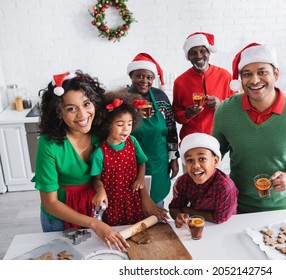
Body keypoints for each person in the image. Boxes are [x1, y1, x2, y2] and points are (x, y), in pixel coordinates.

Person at [213, 43, 286, 213]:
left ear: (276, 74)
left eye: (262, 72)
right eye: (247, 74)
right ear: (241, 79)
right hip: (236, 205)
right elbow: (214, 153)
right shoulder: (225, 111)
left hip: (284, 207)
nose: (254, 80)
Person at [32, 70, 129, 251]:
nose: (82, 115)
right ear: (58, 112)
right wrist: (93, 224)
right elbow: (50, 203)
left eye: (86, 104)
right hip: (60, 219)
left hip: (96, 211)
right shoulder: (49, 144)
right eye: (71, 108)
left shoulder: (102, 133)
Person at [90, 89, 169, 226]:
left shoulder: (132, 141)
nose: (126, 129)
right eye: (120, 125)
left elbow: (142, 162)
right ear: (107, 125)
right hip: (112, 201)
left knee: (135, 228)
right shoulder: (100, 152)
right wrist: (100, 190)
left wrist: (140, 178)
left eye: (130, 124)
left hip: (132, 197)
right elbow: (96, 178)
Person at [127, 53, 179, 206]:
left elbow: (171, 128)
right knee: (131, 202)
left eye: (149, 77)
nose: (144, 81)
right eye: (139, 76)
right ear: (131, 76)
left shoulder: (160, 97)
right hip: (130, 162)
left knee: (156, 203)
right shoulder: (123, 98)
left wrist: (174, 158)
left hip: (158, 160)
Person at [172, 32, 235, 141]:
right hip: (190, 139)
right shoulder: (180, 82)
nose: (199, 56)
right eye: (193, 53)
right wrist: (186, 114)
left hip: (218, 138)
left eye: (202, 51)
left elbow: (236, 108)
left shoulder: (225, 76)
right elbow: (176, 114)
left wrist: (221, 104)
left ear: (209, 52)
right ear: (188, 57)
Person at [169, 133, 238, 228]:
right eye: (190, 160)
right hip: (196, 227)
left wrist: (188, 210)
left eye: (202, 159)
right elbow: (174, 207)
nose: (196, 165)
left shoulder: (225, 187)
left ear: (215, 161)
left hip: (225, 228)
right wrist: (178, 215)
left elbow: (219, 218)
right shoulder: (184, 181)